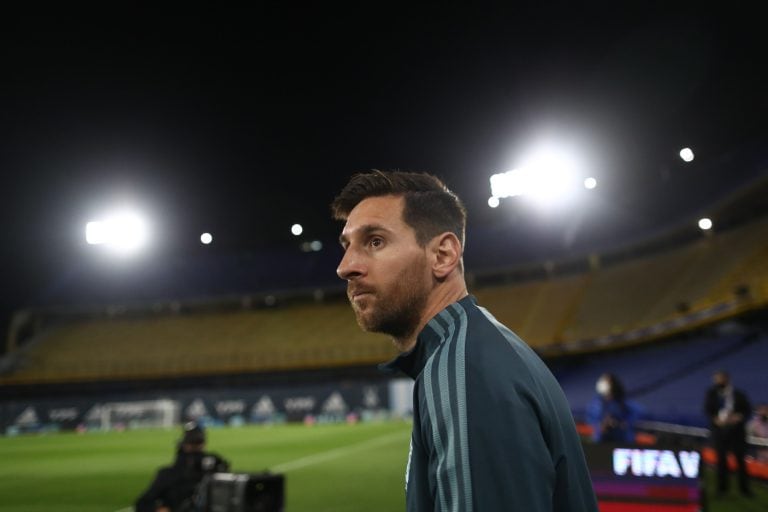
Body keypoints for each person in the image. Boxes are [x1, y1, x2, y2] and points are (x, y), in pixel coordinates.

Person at [332, 170, 598, 511]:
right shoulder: (479, 345)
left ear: (443, 255)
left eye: (375, 241)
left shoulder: (463, 371)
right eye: (347, 246)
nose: (345, 267)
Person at [135, 421, 230, 512]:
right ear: (203, 443)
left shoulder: (168, 474)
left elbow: (142, 504)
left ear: (183, 443)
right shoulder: (216, 468)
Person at [703, 370, 753, 498]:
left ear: (726, 379)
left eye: (719, 379)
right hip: (720, 432)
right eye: (716, 379)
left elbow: (747, 410)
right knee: (721, 462)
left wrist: (738, 417)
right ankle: (722, 490)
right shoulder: (711, 394)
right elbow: (707, 410)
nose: (717, 381)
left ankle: (744, 490)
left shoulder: (738, 394)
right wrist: (715, 419)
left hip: (736, 432)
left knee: (740, 461)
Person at [586, 373, 642, 443]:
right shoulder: (596, 403)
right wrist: (601, 425)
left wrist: (626, 423)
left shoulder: (623, 402)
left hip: (622, 439)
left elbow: (637, 413)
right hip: (602, 440)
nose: (602, 384)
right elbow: (591, 419)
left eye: (606, 381)